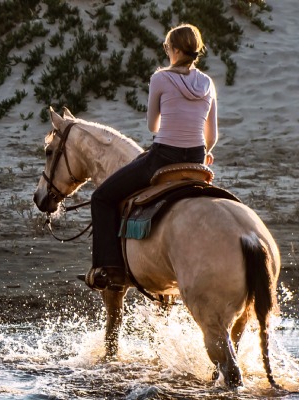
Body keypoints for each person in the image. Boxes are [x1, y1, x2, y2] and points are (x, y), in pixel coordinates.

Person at [84, 24, 218, 289]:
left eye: (167, 48)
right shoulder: (207, 83)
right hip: (196, 159)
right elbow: (211, 135)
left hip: (163, 158)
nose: (167, 52)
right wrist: (205, 152)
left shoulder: (160, 78)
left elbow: (152, 126)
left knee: (101, 197)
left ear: (176, 50)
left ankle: (109, 269)